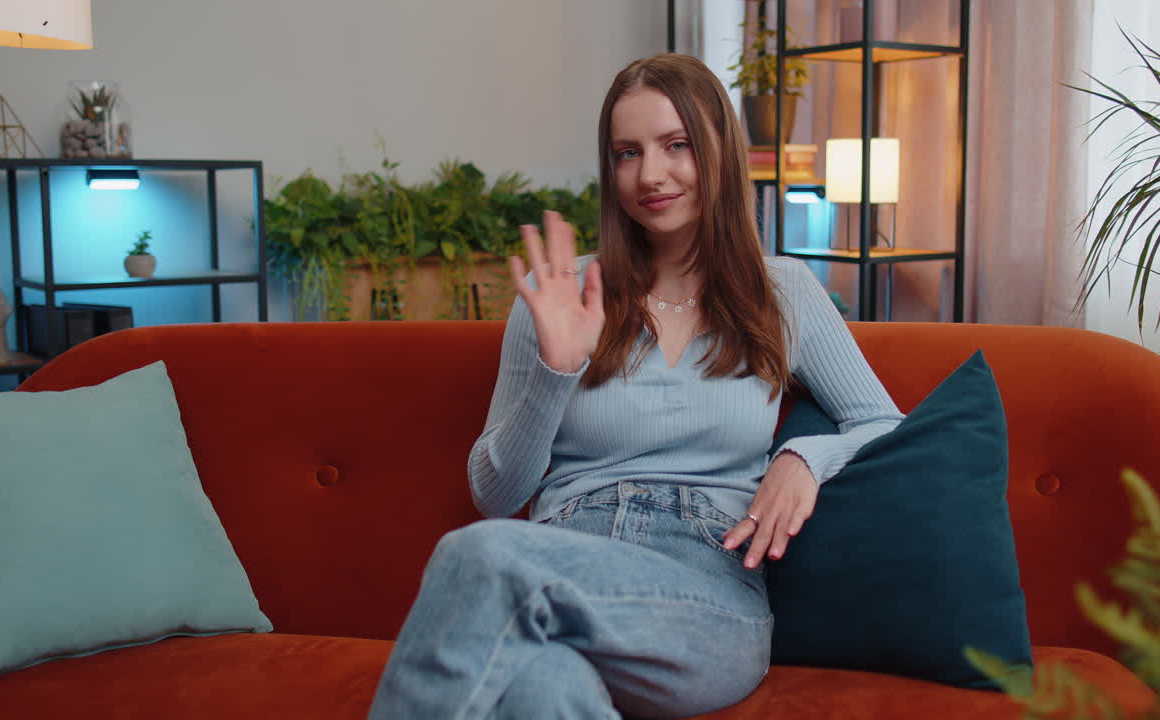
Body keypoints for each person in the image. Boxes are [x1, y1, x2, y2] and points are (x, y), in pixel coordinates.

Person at [369, 53, 904, 719]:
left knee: (474, 557)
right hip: (565, 560)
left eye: (676, 145)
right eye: (627, 153)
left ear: (721, 149)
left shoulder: (783, 292)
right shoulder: (560, 293)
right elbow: (494, 494)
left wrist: (803, 459)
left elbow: (885, 426)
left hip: (706, 595)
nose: (649, 174)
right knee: (544, 688)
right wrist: (555, 372)